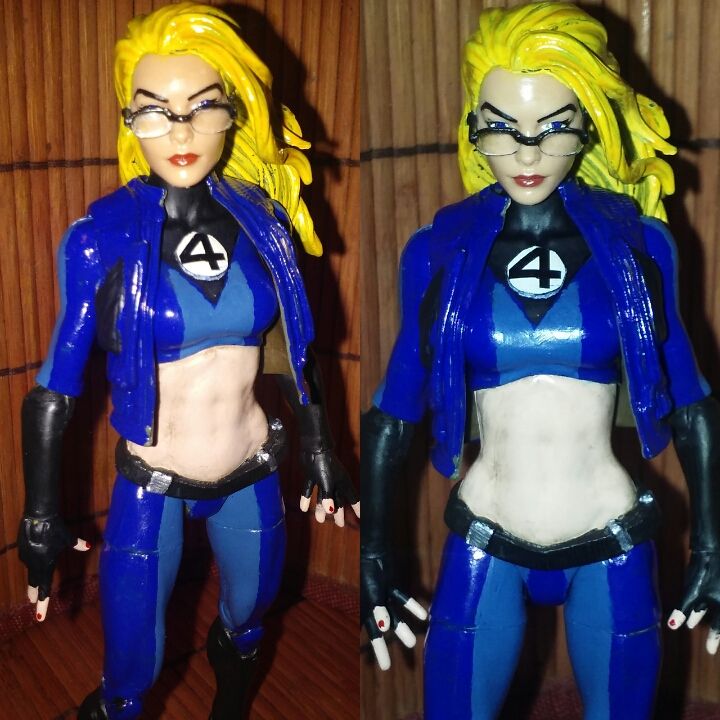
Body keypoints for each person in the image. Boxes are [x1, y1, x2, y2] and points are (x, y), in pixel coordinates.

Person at [361, 3, 720, 718]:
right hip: (486, 535)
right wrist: (375, 551)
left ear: (588, 123)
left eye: (553, 128)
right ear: (472, 127)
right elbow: (394, 414)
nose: (527, 155)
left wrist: (711, 546)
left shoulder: (641, 246)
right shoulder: (436, 251)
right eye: (502, 127)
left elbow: (692, 404)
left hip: (611, 536)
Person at [16, 4, 358, 719]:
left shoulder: (264, 222)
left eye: (203, 107)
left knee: (249, 621)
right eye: (154, 111)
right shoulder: (99, 238)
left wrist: (322, 445)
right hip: (153, 482)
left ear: (235, 111)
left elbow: (295, 350)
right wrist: (41, 513)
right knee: (129, 667)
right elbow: (55, 390)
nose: (180, 132)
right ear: (128, 121)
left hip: (252, 473)